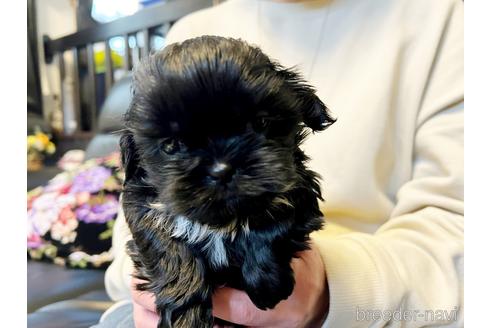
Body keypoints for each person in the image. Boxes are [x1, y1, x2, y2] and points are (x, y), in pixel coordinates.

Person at [95, 0, 464, 327]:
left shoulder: (450, 19)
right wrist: (168, 286)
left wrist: (329, 293)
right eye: (175, 145)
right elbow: (132, 221)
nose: (221, 167)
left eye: (259, 128)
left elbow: (463, 229)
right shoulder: (187, 30)